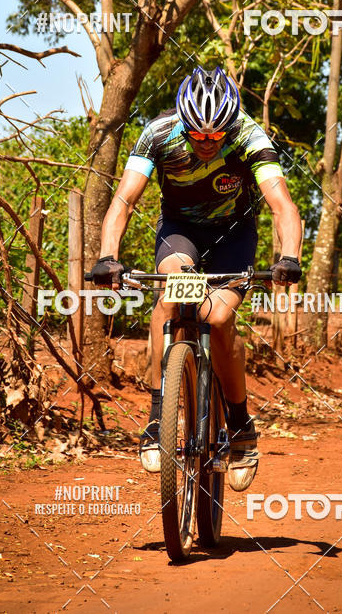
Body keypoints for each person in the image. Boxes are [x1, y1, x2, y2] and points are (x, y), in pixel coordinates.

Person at [89, 66, 302, 491]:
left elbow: (282, 205)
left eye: (216, 136)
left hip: (233, 236)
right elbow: (124, 200)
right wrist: (107, 256)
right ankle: (156, 419)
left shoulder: (248, 134)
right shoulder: (158, 132)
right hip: (180, 234)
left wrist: (289, 256)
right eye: (197, 135)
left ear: (230, 125)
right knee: (169, 296)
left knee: (220, 320)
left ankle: (241, 427)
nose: (206, 143)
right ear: (183, 124)